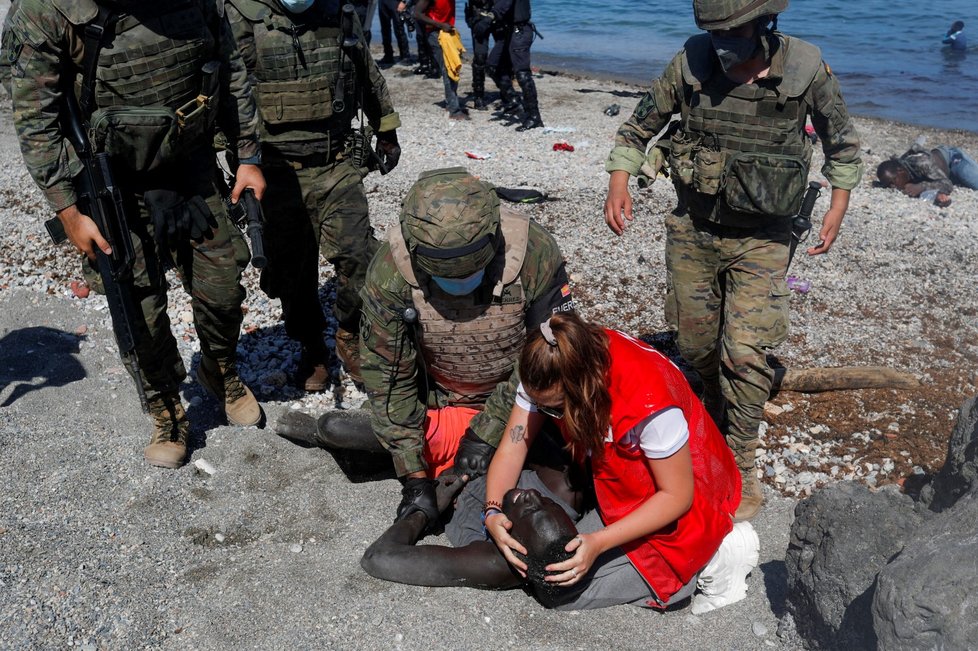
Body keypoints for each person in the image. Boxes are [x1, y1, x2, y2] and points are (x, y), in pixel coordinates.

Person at [603, 0, 863, 520]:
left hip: (764, 235)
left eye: (733, 32)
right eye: (714, 33)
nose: (723, 43)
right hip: (696, 228)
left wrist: (837, 204)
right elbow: (638, 127)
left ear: (764, 24)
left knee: (744, 352)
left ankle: (741, 457)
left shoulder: (806, 68)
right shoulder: (690, 62)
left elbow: (842, 145)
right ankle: (716, 404)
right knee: (697, 344)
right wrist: (619, 180)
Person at [6, 0, 268, 469]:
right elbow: (35, 119)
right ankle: (166, 408)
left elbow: (230, 68)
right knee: (139, 308)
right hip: (112, 187)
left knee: (224, 290)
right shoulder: (48, 10)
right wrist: (67, 209)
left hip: (190, 167)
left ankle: (219, 369)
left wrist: (247, 156)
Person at [363, 312, 758, 612]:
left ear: (583, 388)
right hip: (615, 471)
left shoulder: (648, 403)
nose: (543, 412)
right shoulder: (549, 361)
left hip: (682, 496)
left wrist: (597, 542)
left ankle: (718, 553)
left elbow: (677, 496)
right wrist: (493, 511)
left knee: (560, 593)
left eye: (552, 408)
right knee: (517, 528)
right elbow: (514, 445)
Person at [300, 167, 575, 524]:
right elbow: (388, 374)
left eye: (468, 272)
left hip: (524, 405)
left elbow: (551, 354)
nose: (459, 284)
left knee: (569, 482)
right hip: (443, 404)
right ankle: (430, 453)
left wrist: (489, 430)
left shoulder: (534, 253)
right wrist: (413, 479)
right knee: (350, 430)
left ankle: (466, 452)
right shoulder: (390, 272)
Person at [225, 0, 401, 392]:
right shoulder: (239, 14)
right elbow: (225, 87)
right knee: (290, 271)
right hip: (273, 172)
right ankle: (310, 346)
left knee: (359, 256)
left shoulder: (338, 10)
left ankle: (349, 333)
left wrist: (385, 126)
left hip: (334, 162)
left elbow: (365, 71)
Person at [486, 0, 542, 130]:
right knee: (492, 66)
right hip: (507, 31)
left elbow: (505, 3)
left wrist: (491, 15)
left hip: (520, 31)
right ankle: (514, 103)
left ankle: (535, 117)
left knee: (522, 74)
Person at [876, 142, 978, 207]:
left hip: (953, 161)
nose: (893, 187)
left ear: (900, 171)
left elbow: (947, 184)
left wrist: (921, 187)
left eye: (893, 182)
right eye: (888, 185)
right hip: (942, 174)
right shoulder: (903, 176)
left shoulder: (921, 163)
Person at [414, 0, 468, 120]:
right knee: (448, 69)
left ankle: (451, 104)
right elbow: (417, 13)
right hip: (434, 33)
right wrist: (439, 24)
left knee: (454, 66)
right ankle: (454, 110)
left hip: (447, 31)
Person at [464, 0, 495, 110]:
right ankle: (478, 95)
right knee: (480, 57)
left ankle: (507, 94)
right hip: (478, 15)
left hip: (499, 14)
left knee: (505, 55)